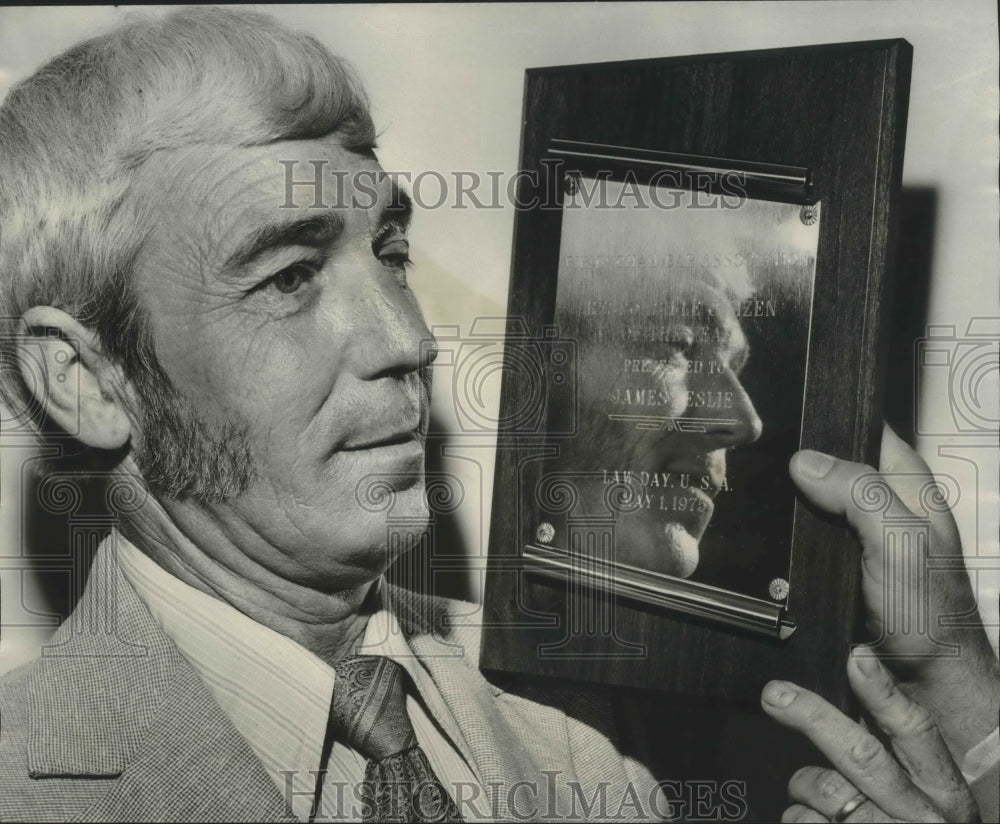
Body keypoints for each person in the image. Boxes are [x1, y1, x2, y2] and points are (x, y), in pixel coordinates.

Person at [0, 7, 995, 823]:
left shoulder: (581, 741)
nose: (409, 336)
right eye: (292, 275)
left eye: (389, 254)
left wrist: (952, 668)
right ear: (85, 378)